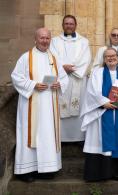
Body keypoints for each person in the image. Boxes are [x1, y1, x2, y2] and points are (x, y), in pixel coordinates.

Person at [12, 28, 69, 182]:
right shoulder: (26, 57)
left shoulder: (54, 58)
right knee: (30, 134)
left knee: (48, 134)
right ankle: (26, 171)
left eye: (47, 38)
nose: (45, 41)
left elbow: (64, 78)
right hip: (31, 105)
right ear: (35, 39)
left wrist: (59, 84)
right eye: (42, 38)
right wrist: (33, 85)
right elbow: (16, 77)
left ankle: (47, 169)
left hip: (50, 105)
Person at [80, 47, 118, 182]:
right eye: (107, 56)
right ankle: (101, 173)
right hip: (102, 112)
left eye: (113, 55)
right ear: (104, 59)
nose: (111, 58)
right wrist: (103, 102)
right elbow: (91, 91)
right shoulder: (97, 73)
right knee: (101, 142)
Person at [50, 15, 92, 142]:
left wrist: (72, 69)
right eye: (66, 23)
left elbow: (86, 59)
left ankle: (79, 138)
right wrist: (63, 68)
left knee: (79, 108)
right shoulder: (54, 41)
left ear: (75, 25)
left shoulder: (84, 41)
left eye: (71, 24)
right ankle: (61, 138)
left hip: (78, 79)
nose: (69, 26)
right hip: (61, 80)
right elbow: (52, 57)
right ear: (63, 25)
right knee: (60, 107)